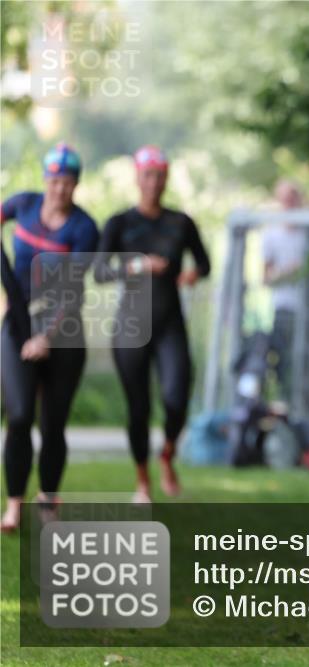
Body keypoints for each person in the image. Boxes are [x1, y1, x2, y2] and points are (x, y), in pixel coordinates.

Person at [94, 145, 211, 503]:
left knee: (177, 397)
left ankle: (168, 453)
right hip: (131, 325)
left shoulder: (181, 222)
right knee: (139, 408)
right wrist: (138, 265)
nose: (153, 182)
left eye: (159, 176)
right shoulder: (120, 223)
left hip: (169, 323)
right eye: (148, 175)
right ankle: (143, 481)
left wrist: (192, 274)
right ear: (137, 177)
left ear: (166, 178)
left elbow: (204, 263)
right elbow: (99, 272)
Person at [1, 143, 100, 532]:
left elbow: (74, 289)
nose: (60, 188)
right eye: (55, 180)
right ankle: (13, 505)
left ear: (76, 184)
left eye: (68, 182)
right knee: (19, 416)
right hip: (18, 322)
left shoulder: (84, 227)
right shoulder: (23, 204)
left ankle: (47, 500)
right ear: (45, 179)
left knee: (52, 423)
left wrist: (47, 337)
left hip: (63, 329)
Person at [261, 179, 309, 396]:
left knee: (308, 361)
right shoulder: (271, 235)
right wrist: (288, 271)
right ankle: (284, 399)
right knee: (284, 361)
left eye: (292, 198)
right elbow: (265, 277)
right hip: (284, 308)